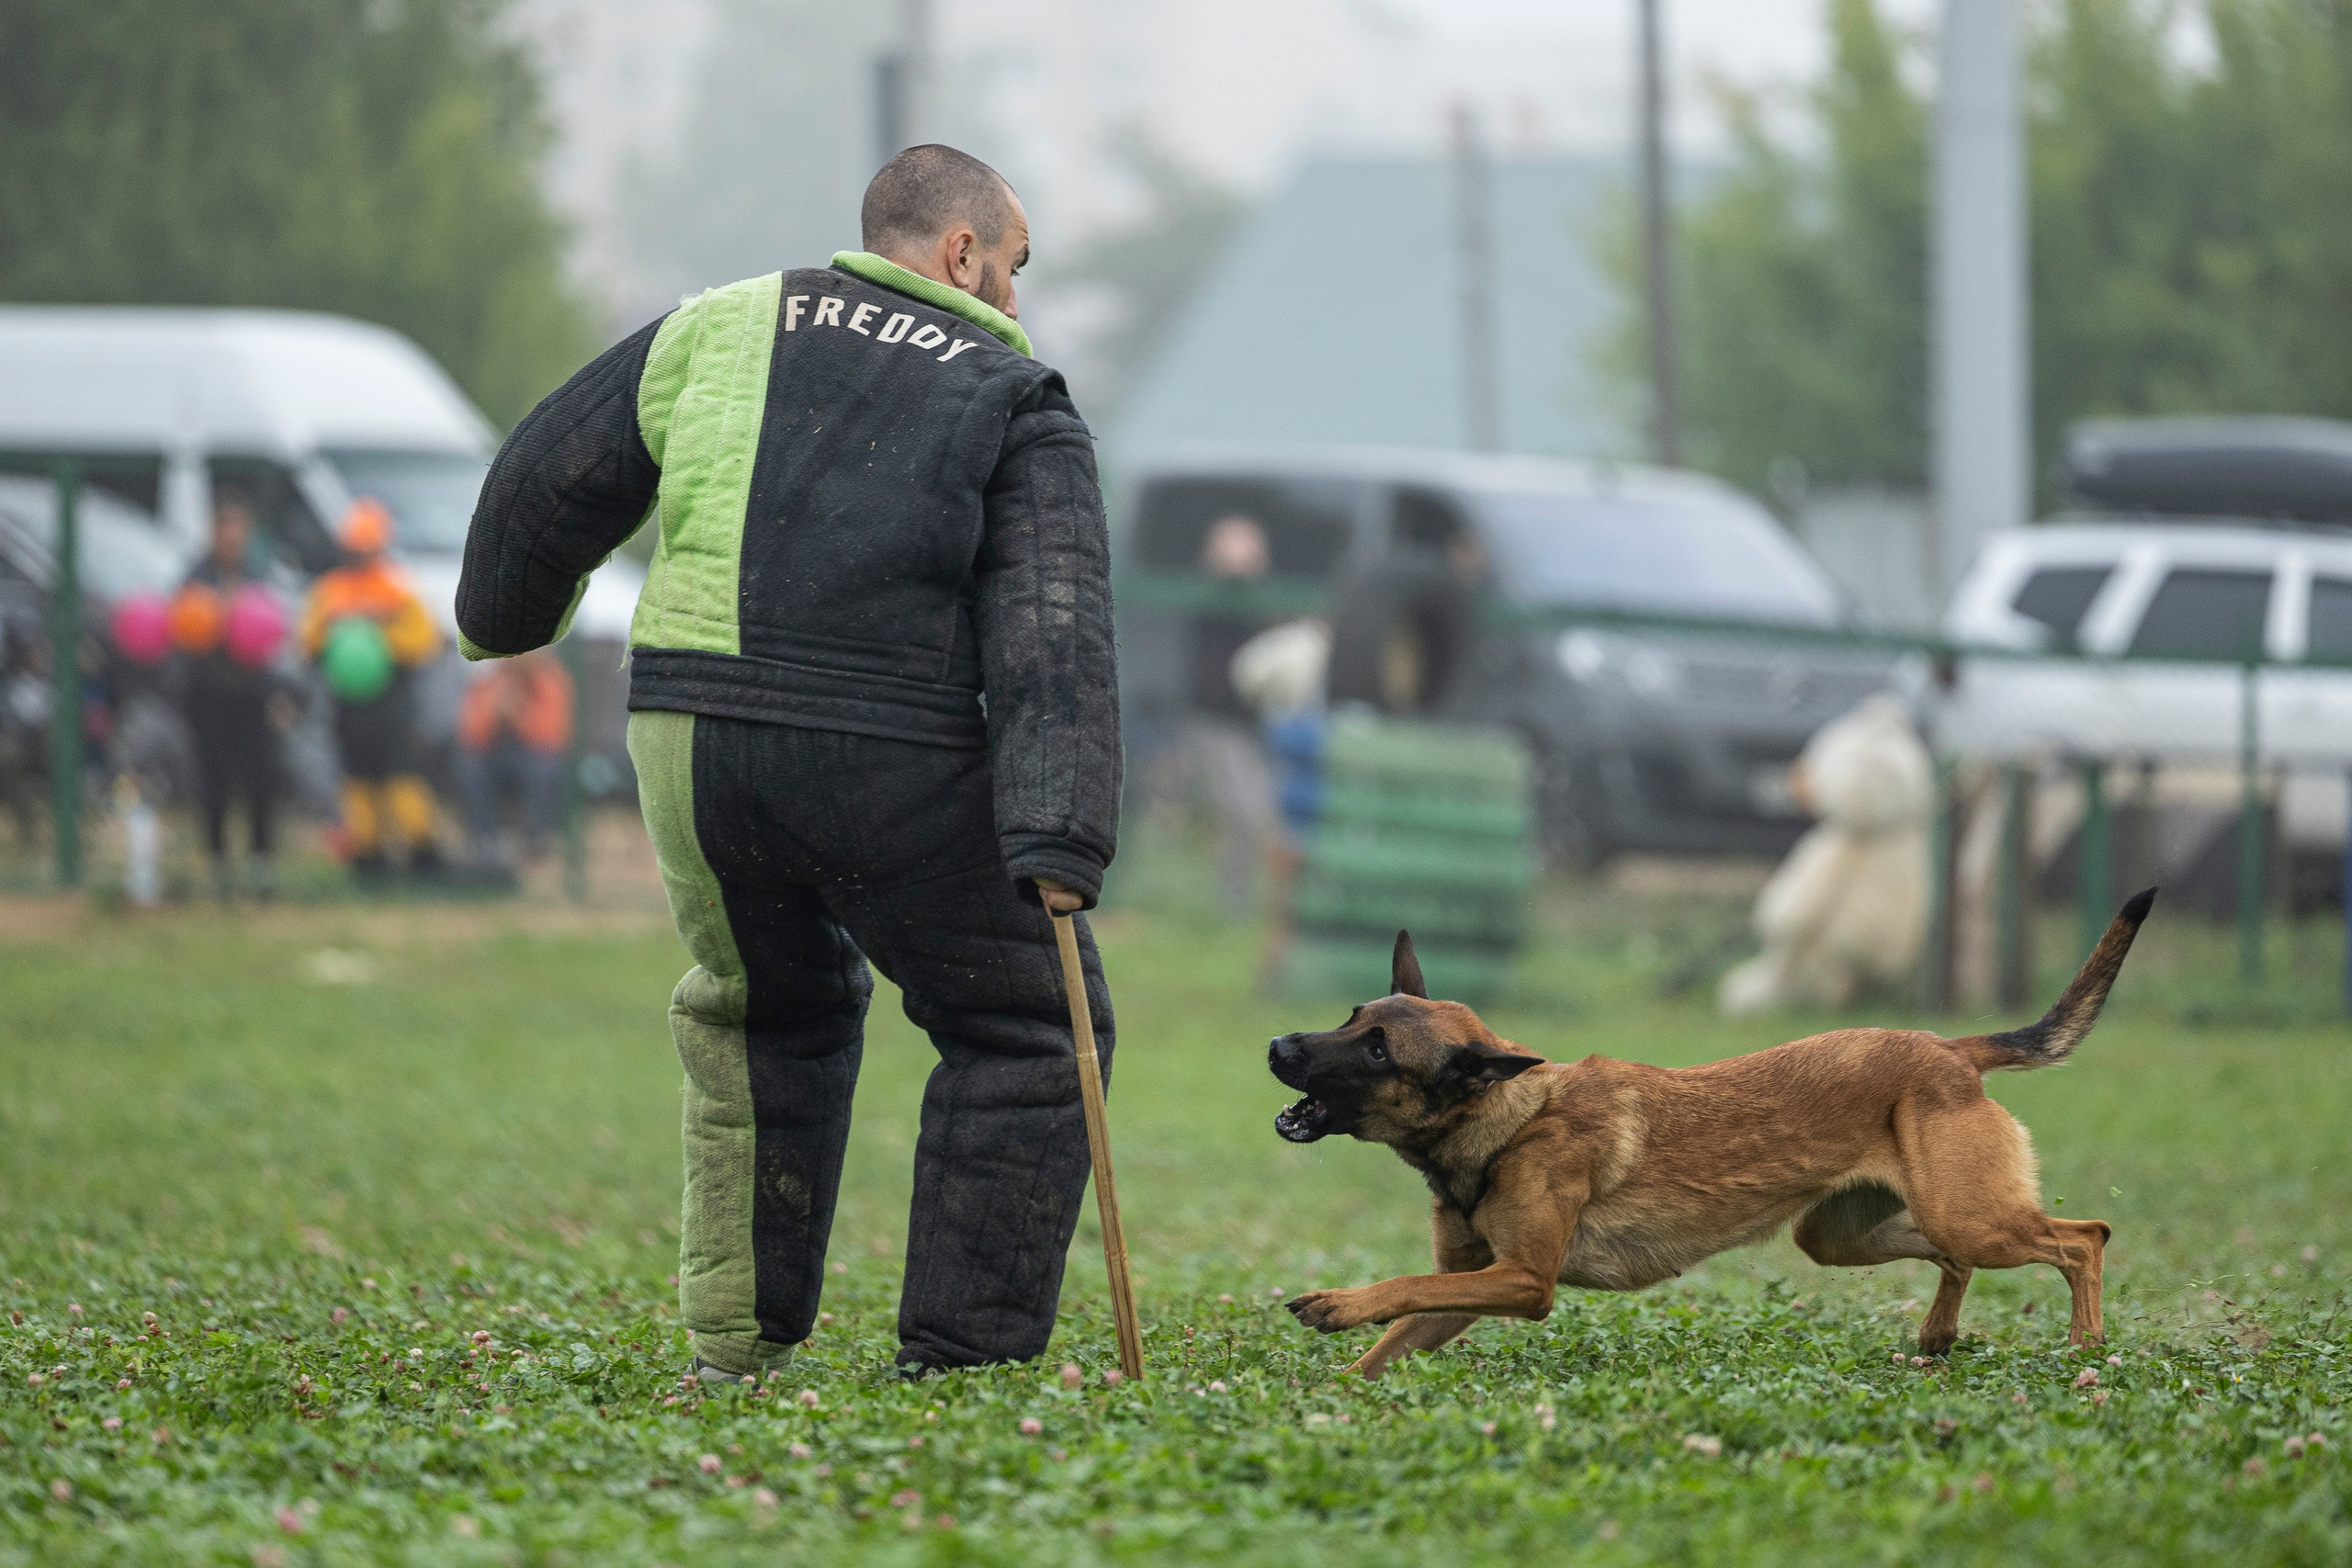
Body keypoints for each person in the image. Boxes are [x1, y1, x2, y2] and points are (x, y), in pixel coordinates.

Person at [456, 144, 1120, 1382]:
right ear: (962, 253)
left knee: (765, 1012)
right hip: (892, 746)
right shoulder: (1011, 392)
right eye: (1016, 268)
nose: (1018, 302)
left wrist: (504, 618)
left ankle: (734, 1347)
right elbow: (1055, 628)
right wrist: (1059, 829)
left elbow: (542, 480)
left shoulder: (715, 323)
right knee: (1030, 1025)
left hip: (694, 735)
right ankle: (961, 1360)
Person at [301, 499, 445, 878]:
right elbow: (309, 643)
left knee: (401, 777)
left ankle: (421, 852)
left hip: (392, 700)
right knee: (358, 779)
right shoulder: (330, 590)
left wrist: (375, 639)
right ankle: (368, 856)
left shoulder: (398, 588)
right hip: (348, 702)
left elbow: (424, 641)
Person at [175, 499, 284, 897]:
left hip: (252, 696)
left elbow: (270, 632)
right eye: (227, 530)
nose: (234, 539)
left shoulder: (259, 576)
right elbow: (184, 629)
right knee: (214, 781)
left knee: (261, 781)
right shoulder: (195, 577)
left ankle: (261, 865)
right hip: (209, 696)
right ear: (214, 533)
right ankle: (220, 864)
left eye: (241, 531)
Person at [453, 648, 573, 863]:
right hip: (494, 755)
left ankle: (535, 840)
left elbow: (551, 737)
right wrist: (495, 710)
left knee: (546, 771)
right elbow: (471, 735)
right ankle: (484, 842)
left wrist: (519, 714)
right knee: (470, 769)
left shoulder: (550, 680)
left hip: (532, 756)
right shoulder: (488, 680)